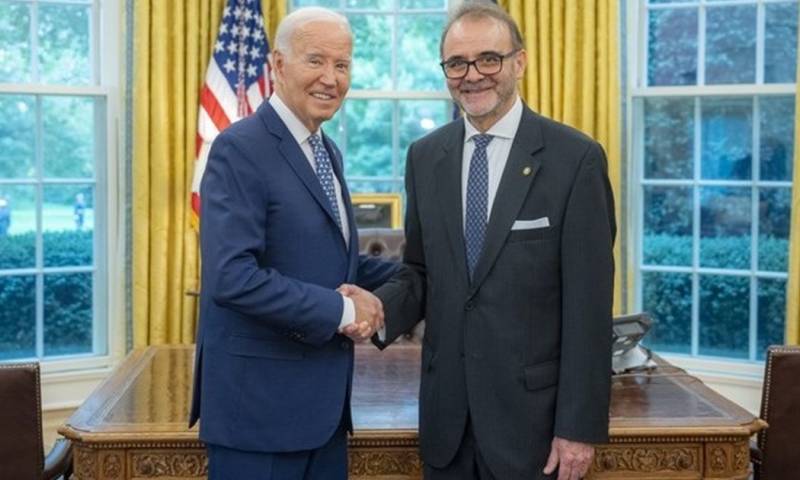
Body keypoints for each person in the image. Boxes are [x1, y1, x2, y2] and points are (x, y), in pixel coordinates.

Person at [343, 3, 616, 479]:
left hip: (533, 430)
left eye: (488, 59)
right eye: (457, 63)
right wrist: (375, 309)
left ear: (519, 62)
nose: (473, 75)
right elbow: (423, 273)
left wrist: (578, 426)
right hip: (446, 423)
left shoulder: (576, 159)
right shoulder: (426, 156)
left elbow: (589, 307)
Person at [189, 7, 396, 479]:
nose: (331, 78)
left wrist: (424, 270)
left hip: (322, 418)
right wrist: (345, 313)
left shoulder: (326, 150)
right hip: (258, 419)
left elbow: (328, 262)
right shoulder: (239, 147)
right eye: (316, 61)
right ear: (279, 65)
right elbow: (233, 278)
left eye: (342, 65)